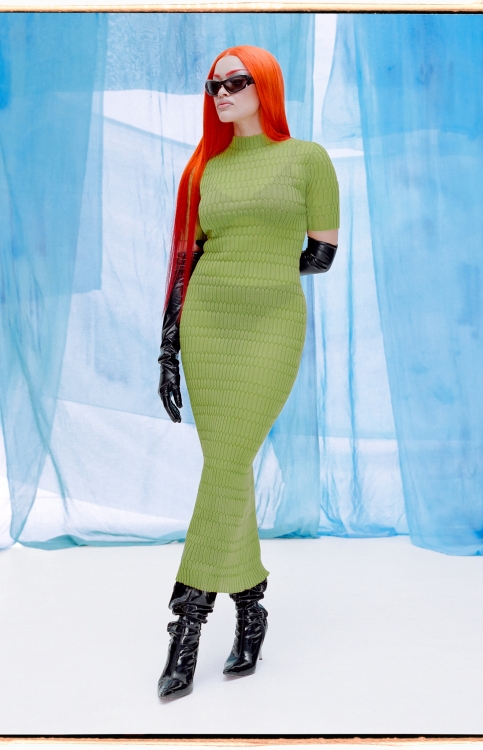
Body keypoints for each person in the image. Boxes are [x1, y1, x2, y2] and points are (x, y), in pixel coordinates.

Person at [157, 44, 339, 700]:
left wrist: (263, 272)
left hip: (271, 325)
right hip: (207, 325)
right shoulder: (203, 167)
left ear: (266, 85)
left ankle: (186, 628)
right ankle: (250, 611)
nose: (222, 94)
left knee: (227, 461)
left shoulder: (307, 159)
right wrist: (168, 350)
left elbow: (320, 255)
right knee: (228, 467)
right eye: (213, 86)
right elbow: (184, 264)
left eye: (235, 82)